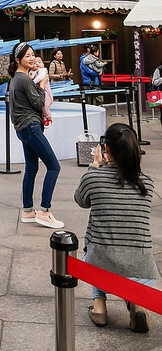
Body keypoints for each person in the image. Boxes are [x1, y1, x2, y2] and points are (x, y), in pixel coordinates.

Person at [74, 123, 158, 333]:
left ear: (106, 150)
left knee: (97, 242)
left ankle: (100, 304)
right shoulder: (146, 184)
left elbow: (81, 201)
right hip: (143, 271)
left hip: (101, 267)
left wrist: (94, 166)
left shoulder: (94, 177)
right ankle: (136, 303)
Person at [9, 42, 63, 229]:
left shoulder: (16, 78)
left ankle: (28, 211)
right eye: (27, 56)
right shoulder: (23, 79)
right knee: (54, 167)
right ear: (18, 60)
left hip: (23, 129)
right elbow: (40, 103)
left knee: (31, 169)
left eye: (33, 55)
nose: (32, 58)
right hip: (31, 127)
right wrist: (42, 83)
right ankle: (45, 211)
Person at [31, 54, 53, 127]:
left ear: (43, 64)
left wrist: (33, 82)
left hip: (47, 94)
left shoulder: (42, 71)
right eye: (34, 63)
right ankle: (43, 118)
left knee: (44, 106)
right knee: (40, 107)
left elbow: (41, 77)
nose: (37, 64)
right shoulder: (34, 72)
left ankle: (49, 118)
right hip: (41, 94)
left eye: (39, 62)